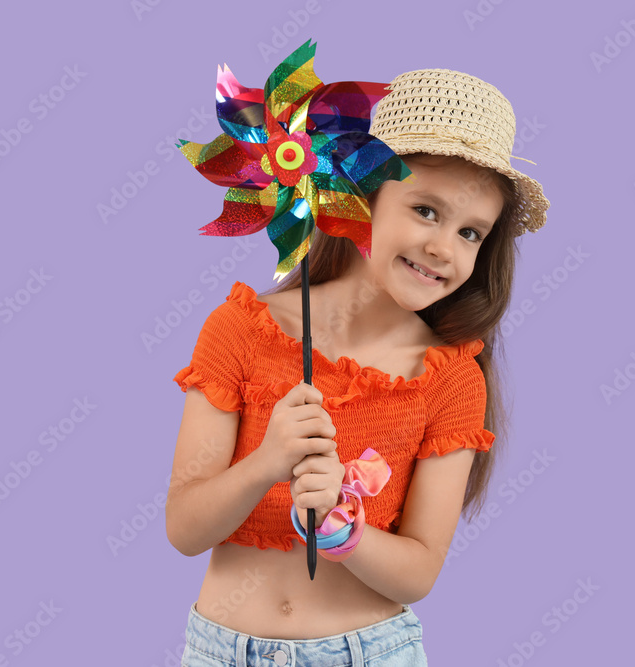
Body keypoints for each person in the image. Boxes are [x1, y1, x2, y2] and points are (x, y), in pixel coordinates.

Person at [167, 67, 549, 666]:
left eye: (471, 232)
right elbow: (185, 529)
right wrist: (266, 462)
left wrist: (344, 532)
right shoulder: (240, 329)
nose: (444, 248)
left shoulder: (448, 378)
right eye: (425, 210)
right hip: (221, 649)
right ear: (355, 195)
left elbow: (419, 571)